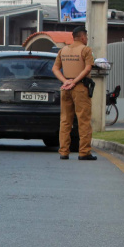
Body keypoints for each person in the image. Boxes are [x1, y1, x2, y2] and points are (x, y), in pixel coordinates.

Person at [51, 26, 96, 160]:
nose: (87, 39)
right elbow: (88, 68)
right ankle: (84, 152)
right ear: (82, 37)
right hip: (80, 88)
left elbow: (55, 69)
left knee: (65, 121)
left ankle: (64, 152)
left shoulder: (63, 50)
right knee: (83, 121)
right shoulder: (86, 50)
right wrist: (74, 81)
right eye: (86, 37)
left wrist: (65, 81)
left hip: (65, 89)